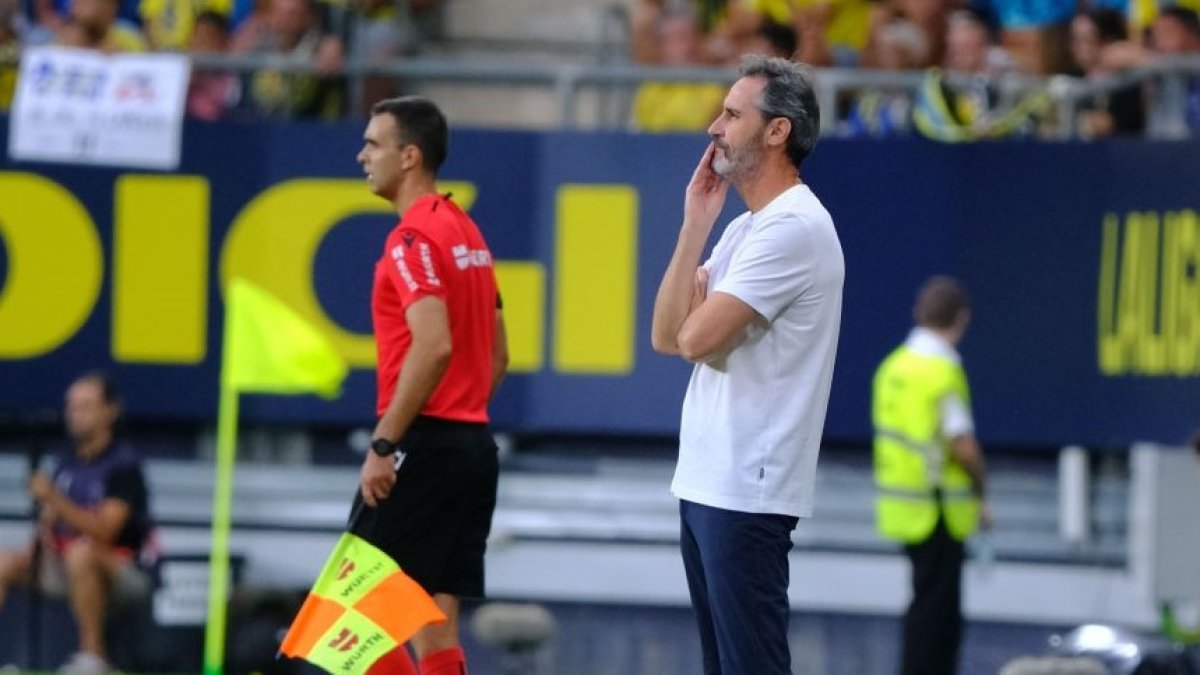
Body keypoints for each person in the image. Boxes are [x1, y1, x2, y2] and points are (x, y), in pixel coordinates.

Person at [650, 55, 845, 675]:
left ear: (777, 131)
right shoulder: (742, 230)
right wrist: (695, 222)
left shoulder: (795, 228)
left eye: (733, 114)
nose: (714, 127)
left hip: (746, 491)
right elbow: (664, 335)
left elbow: (694, 340)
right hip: (708, 482)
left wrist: (696, 326)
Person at [350, 96, 508, 675]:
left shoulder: (410, 240)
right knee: (435, 624)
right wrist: (460, 413)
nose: (362, 154)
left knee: (357, 619)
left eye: (374, 144)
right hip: (472, 446)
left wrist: (387, 443)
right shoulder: (468, 234)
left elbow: (434, 343)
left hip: (425, 446)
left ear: (409, 156)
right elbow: (499, 354)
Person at [872, 276, 990, 675]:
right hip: (938, 509)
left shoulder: (893, 368)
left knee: (922, 605)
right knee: (939, 619)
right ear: (962, 318)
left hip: (903, 507)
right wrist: (981, 489)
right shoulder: (941, 373)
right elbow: (963, 446)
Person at [0, 372, 154, 675]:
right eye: (71, 407)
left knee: (82, 553)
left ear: (109, 411)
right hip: (65, 566)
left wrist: (55, 498)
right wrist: (36, 547)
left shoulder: (123, 464)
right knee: (3, 561)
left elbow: (106, 532)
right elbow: (49, 523)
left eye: (85, 406)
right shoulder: (66, 462)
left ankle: (92, 657)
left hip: (124, 571)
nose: (75, 414)